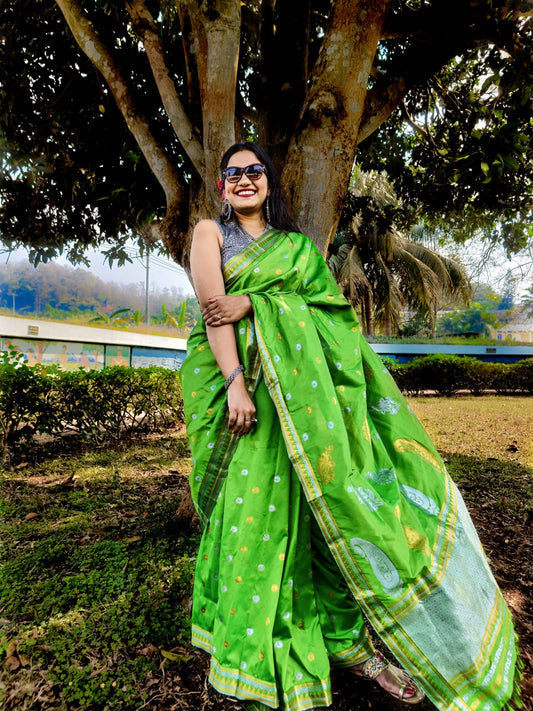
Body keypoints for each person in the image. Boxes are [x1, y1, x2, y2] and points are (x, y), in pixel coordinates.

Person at [181, 142, 521, 711]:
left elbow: (333, 318)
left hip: (308, 410)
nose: (243, 180)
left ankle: (344, 642)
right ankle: (244, 651)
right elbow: (215, 312)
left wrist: (258, 305)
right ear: (222, 187)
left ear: (268, 182)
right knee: (252, 511)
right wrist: (236, 381)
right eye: (232, 173)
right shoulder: (208, 234)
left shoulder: (296, 248)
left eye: (254, 171)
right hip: (248, 400)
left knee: (327, 517)